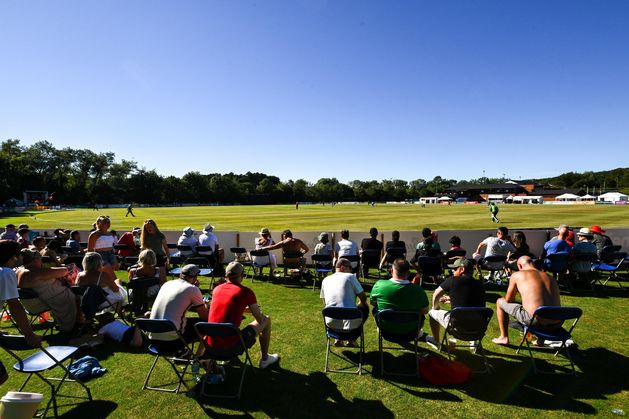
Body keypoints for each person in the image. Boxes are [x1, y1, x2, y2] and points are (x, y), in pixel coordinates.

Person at [207, 261, 279, 369]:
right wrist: (255, 311)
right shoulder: (246, 292)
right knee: (266, 319)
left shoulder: (217, 289)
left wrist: (242, 309)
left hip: (211, 347)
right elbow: (260, 320)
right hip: (230, 348)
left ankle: (228, 358)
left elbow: (224, 307)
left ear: (226, 275)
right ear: (242, 275)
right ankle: (265, 359)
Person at [492, 256, 561, 345]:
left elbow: (508, 300)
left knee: (500, 301)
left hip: (536, 322)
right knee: (544, 307)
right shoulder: (550, 277)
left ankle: (503, 337)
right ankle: (540, 340)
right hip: (557, 322)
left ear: (520, 266)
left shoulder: (517, 275)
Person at [16, 249, 79, 333]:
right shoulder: (33, 272)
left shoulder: (20, 270)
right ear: (35, 260)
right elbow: (64, 271)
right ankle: (76, 324)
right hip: (46, 302)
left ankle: (78, 321)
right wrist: (55, 260)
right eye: (40, 258)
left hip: (33, 303)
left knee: (76, 292)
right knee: (79, 293)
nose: (41, 260)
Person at [426, 258, 485, 348]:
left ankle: (436, 340)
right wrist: (451, 299)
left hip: (457, 327)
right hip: (477, 329)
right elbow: (469, 300)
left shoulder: (452, 280)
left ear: (462, 269)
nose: (452, 271)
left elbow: (435, 295)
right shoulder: (480, 284)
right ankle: (474, 342)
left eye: (455, 269)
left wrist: (435, 308)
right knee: (473, 313)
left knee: (432, 313)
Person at [149, 264, 208, 352]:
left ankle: (182, 353)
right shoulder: (192, 289)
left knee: (184, 320)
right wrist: (206, 304)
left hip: (153, 338)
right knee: (206, 325)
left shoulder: (167, 284)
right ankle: (200, 356)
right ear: (195, 277)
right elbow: (204, 316)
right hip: (173, 341)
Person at [0, 240, 42, 347]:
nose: (22, 257)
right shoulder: (6, 273)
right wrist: (29, 335)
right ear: (13, 257)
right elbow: (14, 306)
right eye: (20, 254)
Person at [370, 259, 429, 334]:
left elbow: (373, 303)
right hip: (411, 331)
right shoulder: (419, 290)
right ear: (408, 273)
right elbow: (425, 310)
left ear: (391, 271)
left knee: (376, 309)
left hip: (386, 330)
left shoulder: (379, 285)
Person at [320, 258, 368, 347]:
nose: (351, 270)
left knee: (336, 310)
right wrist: (359, 303)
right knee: (365, 307)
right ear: (342, 268)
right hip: (350, 326)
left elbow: (325, 302)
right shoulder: (350, 276)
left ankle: (338, 338)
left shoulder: (325, 280)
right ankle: (352, 339)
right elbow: (363, 297)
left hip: (331, 325)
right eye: (350, 268)